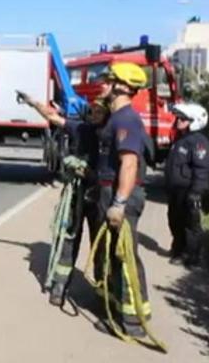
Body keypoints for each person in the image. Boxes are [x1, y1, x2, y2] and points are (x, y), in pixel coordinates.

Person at [20, 93, 108, 305]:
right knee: (68, 239)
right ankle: (59, 287)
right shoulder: (81, 128)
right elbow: (53, 117)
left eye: (100, 111)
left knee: (102, 244)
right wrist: (33, 103)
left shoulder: (111, 134)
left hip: (99, 197)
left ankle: (102, 291)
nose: (95, 114)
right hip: (76, 194)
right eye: (93, 110)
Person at [92, 62, 152, 338]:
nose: (103, 84)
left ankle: (134, 322)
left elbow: (129, 163)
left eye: (109, 80)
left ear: (123, 87)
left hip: (122, 196)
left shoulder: (126, 119)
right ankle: (121, 311)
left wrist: (118, 203)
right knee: (114, 256)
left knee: (125, 257)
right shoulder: (115, 118)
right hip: (111, 192)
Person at [164, 102, 209, 269]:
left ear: (194, 121)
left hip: (189, 190)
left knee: (191, 224)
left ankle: (193, 256)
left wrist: (196, 192)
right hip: (176, 190)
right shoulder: (181, 138)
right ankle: (178, 250)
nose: (178, 121)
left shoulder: (199, 141)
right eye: (178, 117)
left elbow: (202, 169)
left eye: (183, 118)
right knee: (174, 220)